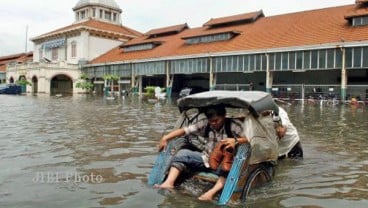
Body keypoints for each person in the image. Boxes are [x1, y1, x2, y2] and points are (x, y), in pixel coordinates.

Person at [155, 105, 248, 201]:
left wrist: (236, 141)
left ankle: (210, 193)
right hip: (207, 159)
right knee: (182, 154)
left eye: (216, 120)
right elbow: (184, 130)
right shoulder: (206, 124)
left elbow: (251, 138)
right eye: (211, 121)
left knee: (230, 168)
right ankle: (168, 183)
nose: (214, 123)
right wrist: (165, 138)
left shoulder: (234, 125)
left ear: (224, 116)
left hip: (226, 163)